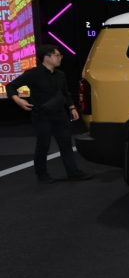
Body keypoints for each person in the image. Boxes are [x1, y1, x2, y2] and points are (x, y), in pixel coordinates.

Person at [5, 44, 93, 183]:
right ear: (47, 57)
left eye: (60, 55)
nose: (60, 58)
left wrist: (72, 107)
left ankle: (73, 173)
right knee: (43, 145)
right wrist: (18, 100)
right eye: (57, 55)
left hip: (60, 115)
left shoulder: (60, 75)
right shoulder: (33, 74)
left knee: (66, 144)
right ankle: (42, 175)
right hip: (41, 115)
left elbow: (65, 93)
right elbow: (10, 86)